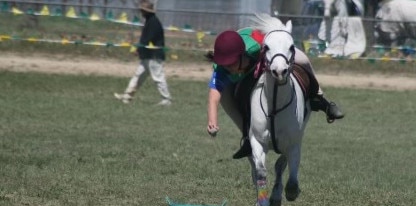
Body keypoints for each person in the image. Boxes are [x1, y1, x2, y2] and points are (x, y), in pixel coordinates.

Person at [205, 28, 344, 159]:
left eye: (230, 64)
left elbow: (275, 45)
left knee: (303, 60)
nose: (226, 68)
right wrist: (213, 122)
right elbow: (213, 96)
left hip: (260, 52)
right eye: (224, 64)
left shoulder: (256, 47)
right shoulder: (221, 69)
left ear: (242, 55)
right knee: (225, 99)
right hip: (237, 55)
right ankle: (247, 137)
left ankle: (322, 100)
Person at [114, 0, 172, 105]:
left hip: (154, 56)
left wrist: (138, 48)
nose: (141, 12)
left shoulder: (153, 22)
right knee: (138, 76)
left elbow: (147, 39)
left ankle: (166, 99)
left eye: (142, 10)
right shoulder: (150, 21)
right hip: (147, 56)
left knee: (158, 77)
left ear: (147, 12)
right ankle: (127, 96)